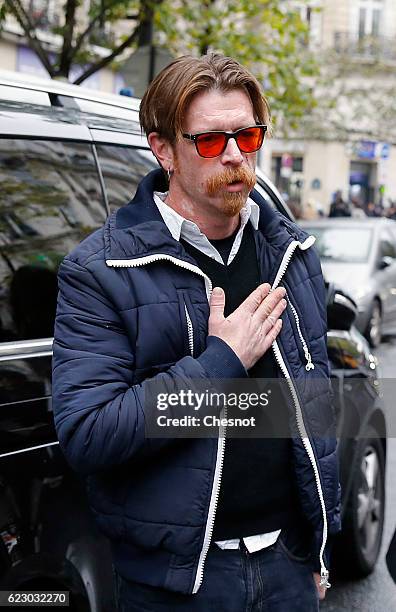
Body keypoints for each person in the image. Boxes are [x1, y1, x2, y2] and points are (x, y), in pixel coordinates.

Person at [52, 54, 341, 611]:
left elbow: (315, 403)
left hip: (289, 566)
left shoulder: (292, 254)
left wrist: (319, 549)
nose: (235, 156)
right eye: (210, 142)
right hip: (180, 585)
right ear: (163, 150)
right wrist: (220, 362)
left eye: (248, 135)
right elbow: (88, 432)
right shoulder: (102, 270)